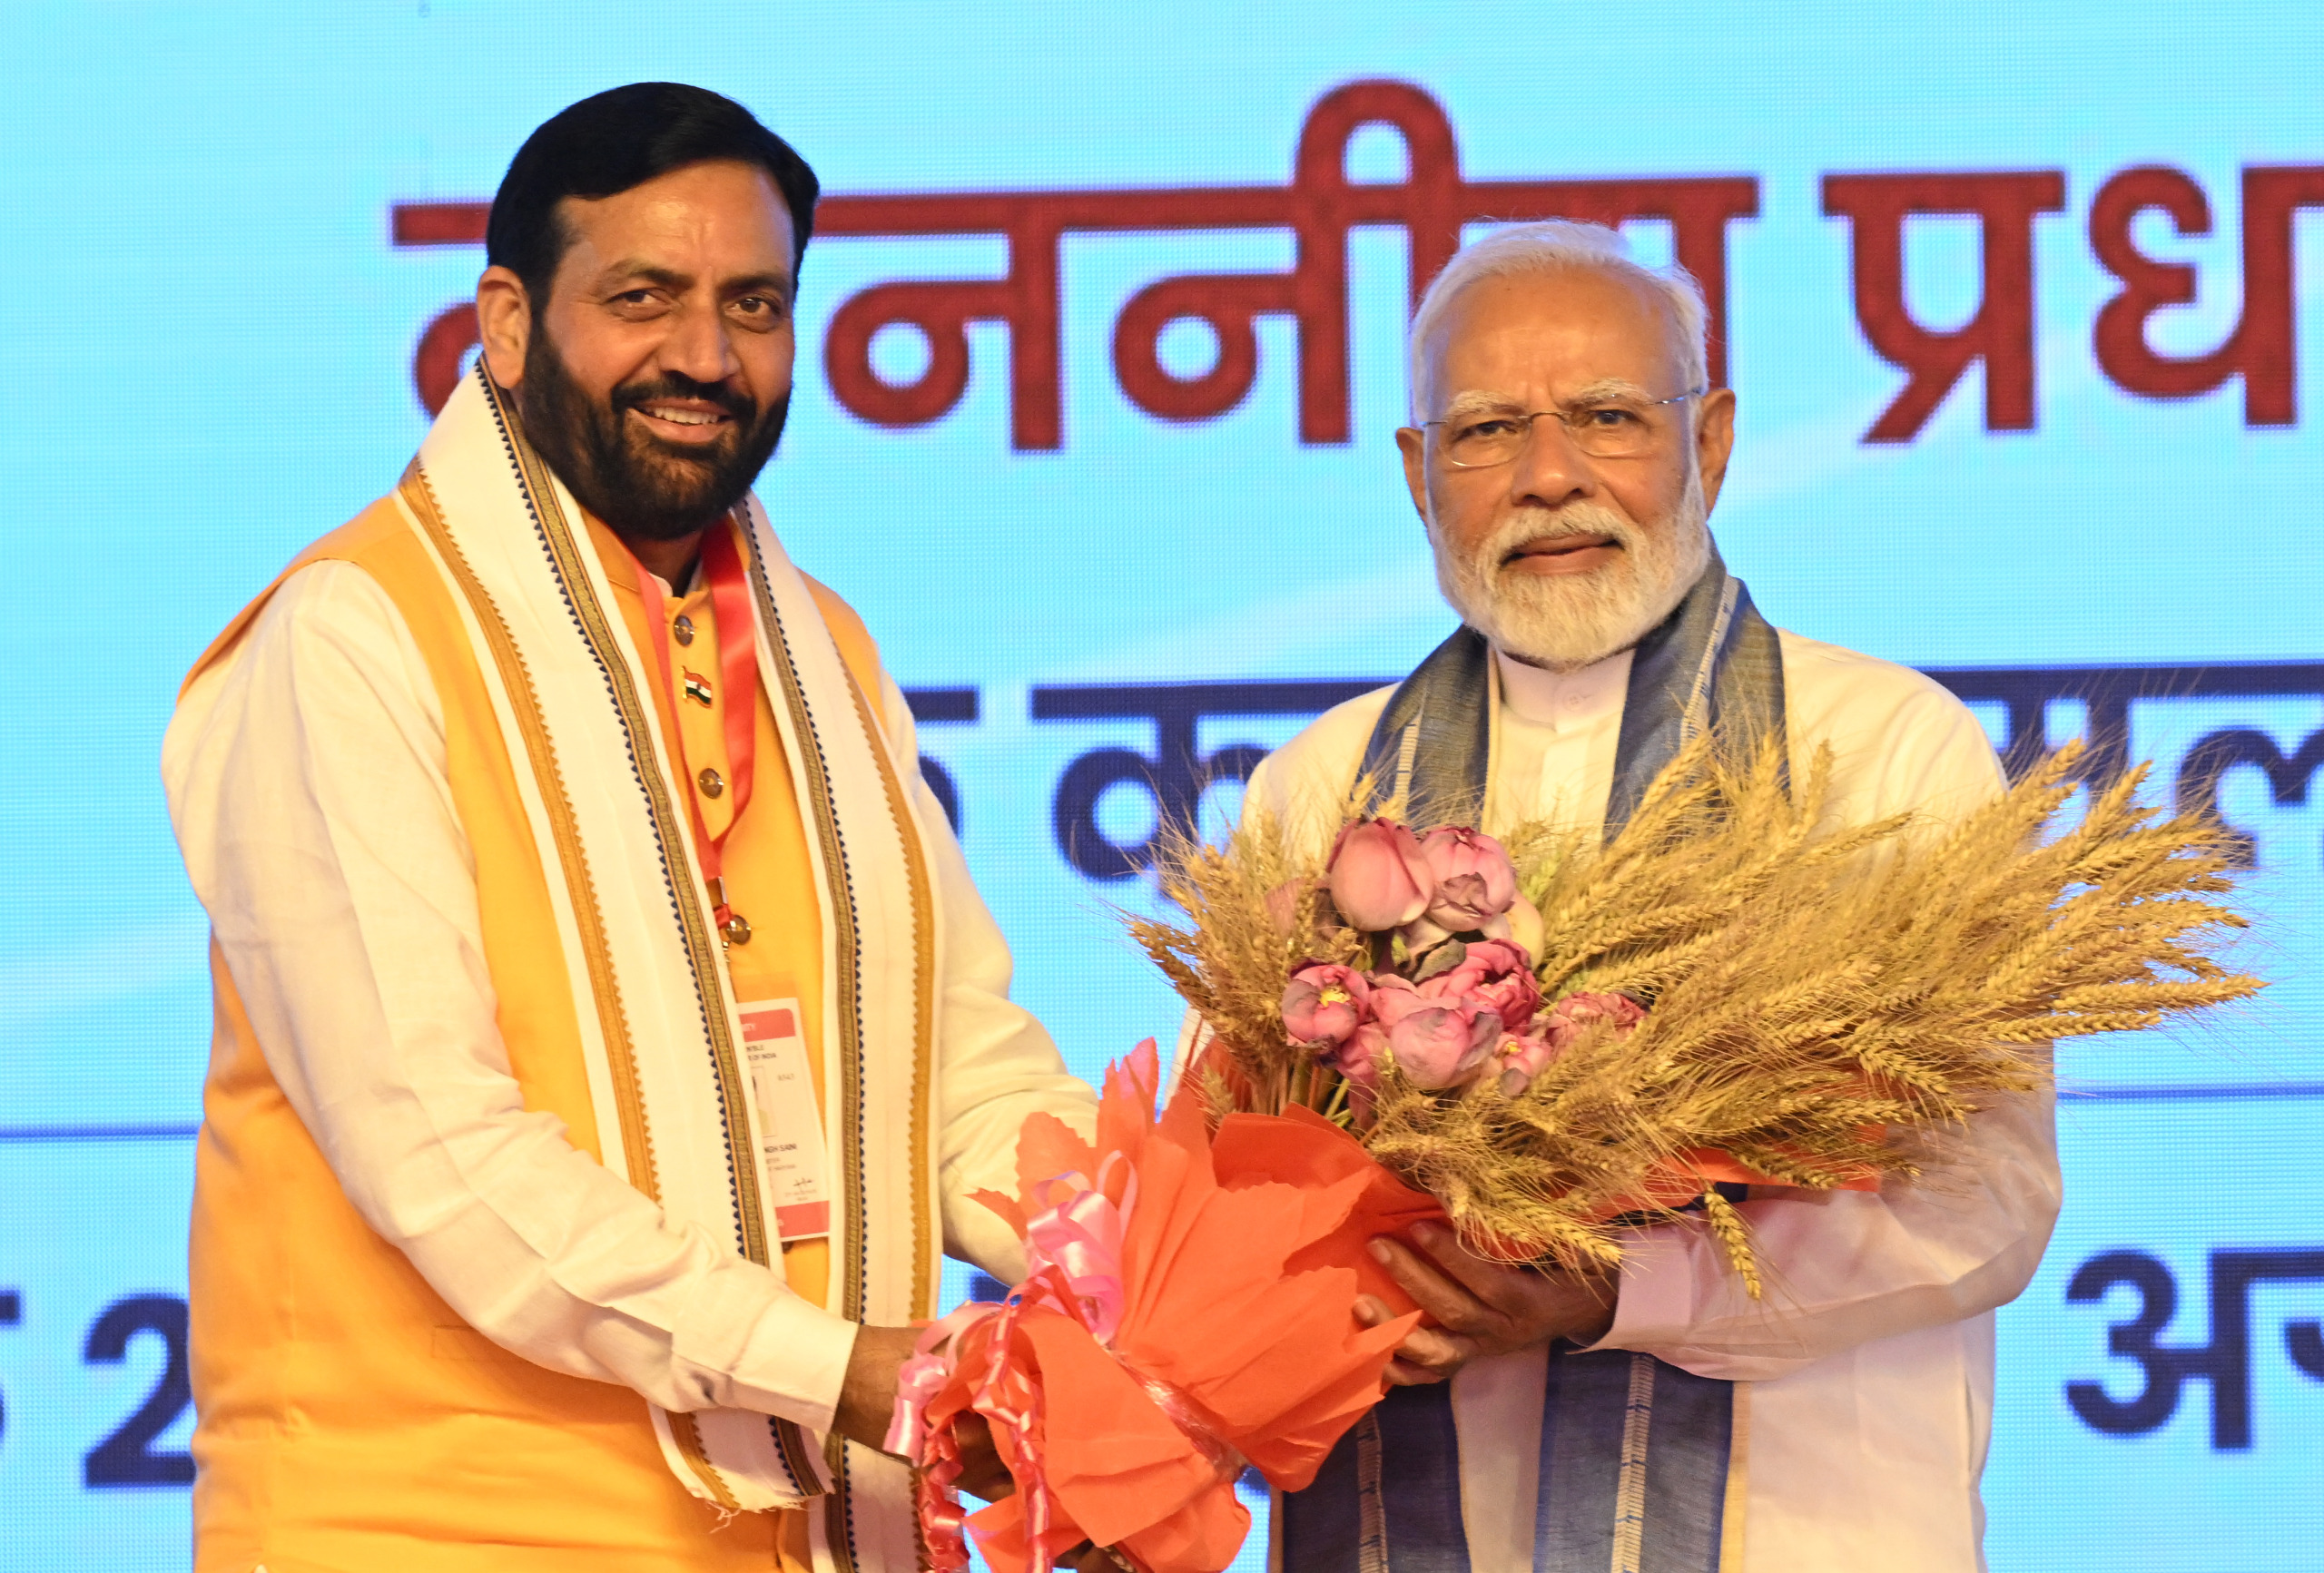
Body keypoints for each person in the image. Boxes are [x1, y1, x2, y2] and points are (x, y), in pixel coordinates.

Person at [162, 83, 1094, 1573]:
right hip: (428, 1534)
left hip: (800, 1530)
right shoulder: (357, 639)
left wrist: (1159, 1260)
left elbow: (960, 1076)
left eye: (755, 304)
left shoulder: (823, 653)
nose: (706, 356)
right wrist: (851, 1373)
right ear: (509, 324)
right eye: (643, 297)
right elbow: (441, 1154)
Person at [1233, 221, 2062, 1573]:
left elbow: (1984, 1197)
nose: (1550, 477)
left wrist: (1622, 1290)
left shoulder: (1887, 755)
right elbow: (1239, 1194)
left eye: (1609, 416)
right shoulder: (1320, 789)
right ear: (1416, 473)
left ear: (1712, 442)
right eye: (1487, 431)